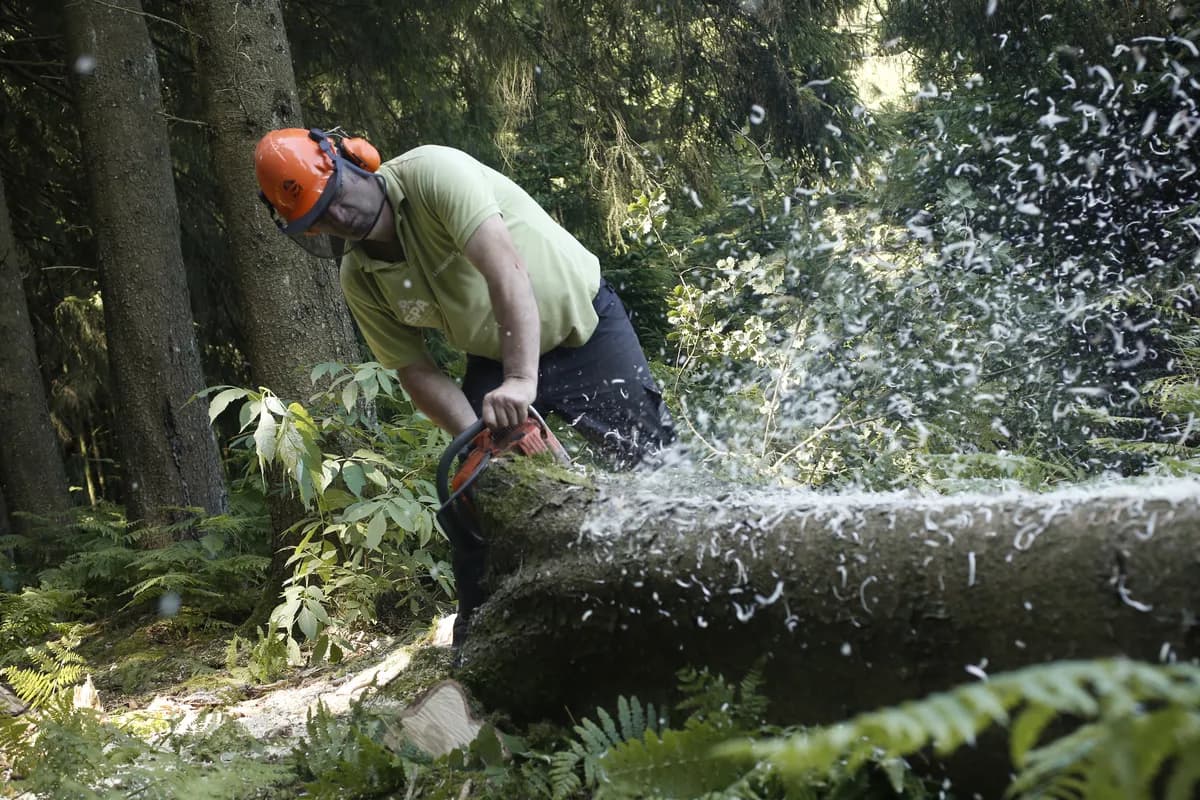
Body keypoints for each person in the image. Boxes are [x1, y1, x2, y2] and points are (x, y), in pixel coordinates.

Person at [254, 127, 675, 642]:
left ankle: (692, 591)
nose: (340, 216)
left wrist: (521, 381)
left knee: (654, 461)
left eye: (336, 195)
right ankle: (482, 647)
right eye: (321, 216)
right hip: (495, 355)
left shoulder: (434, 174)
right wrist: (479, 440)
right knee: (473, 497)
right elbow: (415, 369)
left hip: (582, 330)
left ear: (354, 161)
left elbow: (506, 271)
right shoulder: (360, 278)